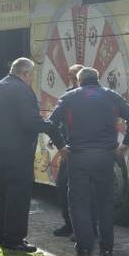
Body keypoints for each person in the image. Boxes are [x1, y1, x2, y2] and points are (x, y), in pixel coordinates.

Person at [49, 67, 129, 256]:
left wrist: (61, 146)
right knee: (104, 203)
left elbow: (51, 123)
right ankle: (107, 248)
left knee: (78, 205)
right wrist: (124, 145)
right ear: (97, 79)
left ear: (79, 81)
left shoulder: (69, 97)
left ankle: (84, 253)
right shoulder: (111, 96)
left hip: (78, 157)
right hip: (105, 156)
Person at [0, 57, 64, 252]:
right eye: (32, 75)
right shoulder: (22, 90)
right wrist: (51, 128)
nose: (31, 80)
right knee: (18, 195)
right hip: (18, 152)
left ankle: (2, 234)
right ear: (25, 73)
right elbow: (30, 122)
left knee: (2, 193)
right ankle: (14, 239)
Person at [52, 64, 84, 238]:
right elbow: (57, 120)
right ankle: (69, 223)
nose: (71, 80)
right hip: (69, 148)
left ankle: (83, 228)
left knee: (81, 191)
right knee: (63, 186)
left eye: (74, 77)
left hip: (81, 149)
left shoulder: (86, 95)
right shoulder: (68, 95)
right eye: (70, 76)